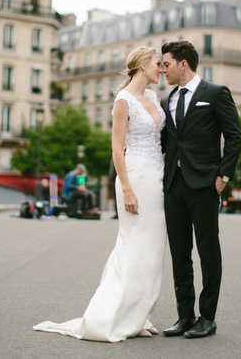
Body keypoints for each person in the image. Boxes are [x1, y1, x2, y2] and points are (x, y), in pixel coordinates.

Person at [33, 46, 166, 341]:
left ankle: (139, 314)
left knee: (153, 250)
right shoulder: (123, 101)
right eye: (158, 63)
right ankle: (117, 315)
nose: (162, 69)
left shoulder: (154, 97)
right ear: (143, 65)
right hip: (135, 177)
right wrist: (127, 189)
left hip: (156, 177)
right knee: (133, 246)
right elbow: (116, 148)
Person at [160, 41, 241, 339]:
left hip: (205, 184)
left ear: (183, 63)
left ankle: (207, 317)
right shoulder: (166, 100)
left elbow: (234, 136)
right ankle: (185, 316)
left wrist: (224, 174)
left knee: (208, 251)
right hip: (173, 186)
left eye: (166, 64)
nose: (162, 69)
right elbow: (167, 143)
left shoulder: (216, 93)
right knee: (179, 253)